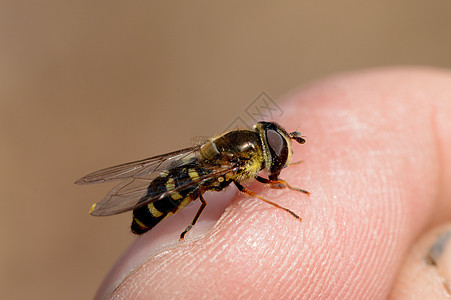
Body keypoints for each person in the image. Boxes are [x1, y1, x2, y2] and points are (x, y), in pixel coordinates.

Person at [94, 68, 451, 299]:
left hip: (185, 173)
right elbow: (233, 189)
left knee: (196, 186)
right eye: (278, 150)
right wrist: (283, 200)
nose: (282, 155)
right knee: (198, 189)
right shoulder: (238, 165)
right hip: (172, 192)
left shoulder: (237, 152)